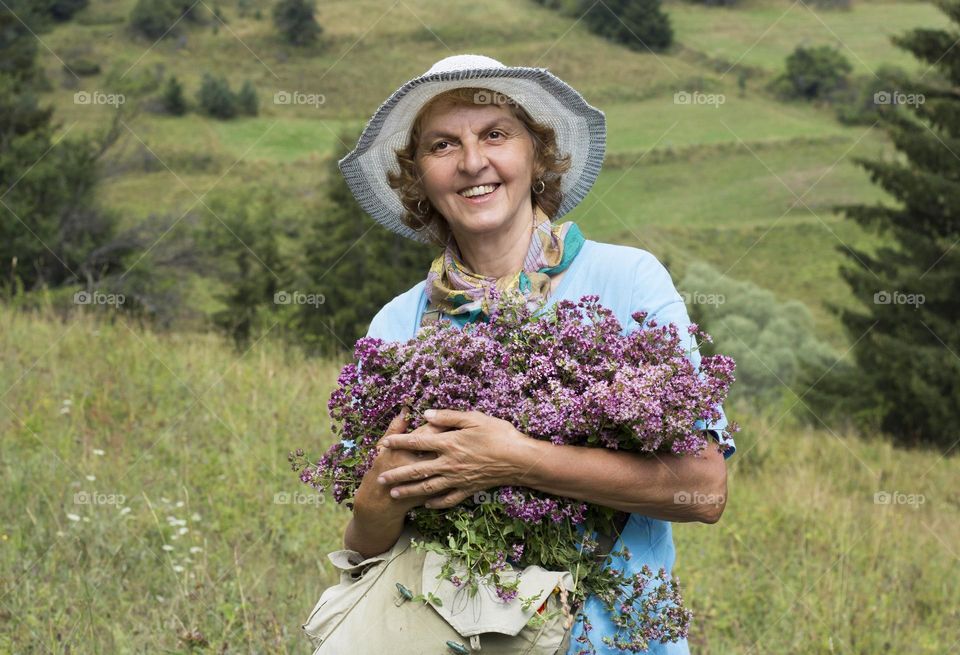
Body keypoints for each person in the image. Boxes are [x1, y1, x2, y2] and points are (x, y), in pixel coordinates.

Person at [336, 54, 736, 655]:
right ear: (418, 177)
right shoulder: (399, 324)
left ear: (536, 155)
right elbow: (366, 548)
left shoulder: (625, 280)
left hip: (614, 643)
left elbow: (704, 491)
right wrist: (381, 493)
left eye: (495, 134)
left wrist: (515, 460)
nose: (473, 162)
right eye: (443, 145)